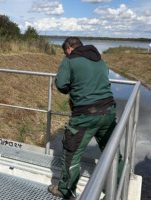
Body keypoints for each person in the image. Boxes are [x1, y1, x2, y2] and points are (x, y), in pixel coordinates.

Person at [48, 37, 123, 199]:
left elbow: (61, 84)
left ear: (69, 48)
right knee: (111, 150)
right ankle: (118, 186)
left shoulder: (69, 60)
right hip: (109, 111)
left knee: (71, 151)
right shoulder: (100, 61)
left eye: (64, 51)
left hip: (85, 115)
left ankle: (65, 190)